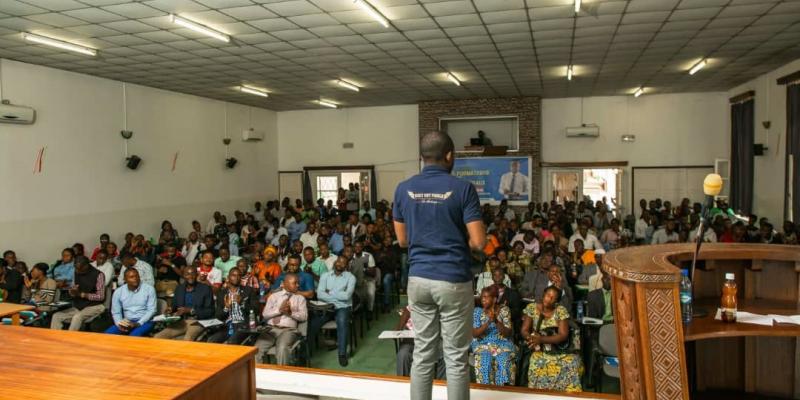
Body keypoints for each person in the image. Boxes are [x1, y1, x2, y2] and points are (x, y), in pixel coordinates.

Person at [393, 130, 486, 400]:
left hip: (418, 279)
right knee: (456, 358)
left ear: (422, 158)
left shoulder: (403, 188)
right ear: (449, 156)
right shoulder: (463, 189)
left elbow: (402, 240)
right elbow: (479, 242)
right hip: (453, 279)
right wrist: (455, 239)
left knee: (423, 353)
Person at [521, 286, 583, 392]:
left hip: (559, 349)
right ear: (543, 295)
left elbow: (563, 335)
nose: (549, 298)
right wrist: (531, 339)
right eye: (548, 295)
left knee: (571, 363)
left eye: (553, 298)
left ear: (556, 302)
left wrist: (541, 339)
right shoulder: (532, 307)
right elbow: (524, 330)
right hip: (539, 348)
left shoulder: (560, 310)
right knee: (537, 362)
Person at [255, 273, 308, 365]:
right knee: (256, 349)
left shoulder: (300, 298)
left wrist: (290, 313)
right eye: (295, 283)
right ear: (285, 283)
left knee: (282, 348)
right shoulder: (274, 296)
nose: (298, 285)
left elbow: (304, 317)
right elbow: (265, 315)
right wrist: (279, 310)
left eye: (298, 283)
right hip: (270, 330)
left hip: (288, 330)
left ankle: (282, 376)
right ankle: (259, 376)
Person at [313, 255, 356, 366]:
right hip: (326, 307)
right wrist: (337, 295)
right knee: (313, 324)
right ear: (335, 262)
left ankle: (342, 354)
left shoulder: (351, 277)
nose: (339, 264)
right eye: (338, 261)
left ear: (346, 266)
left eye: (343, 263)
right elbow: (319, 294)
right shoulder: (325, 275)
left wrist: (330, 292)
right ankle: (307, 353)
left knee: (342, 323)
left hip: (342, 307)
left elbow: (347, 297)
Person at [471, 286, 516, 386]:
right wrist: (488, 322)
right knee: (484, 361)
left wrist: (496, 320)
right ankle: (485, 392)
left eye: (486, 297)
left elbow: (508, 332)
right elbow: (474, 333)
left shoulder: (504, 310)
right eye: (482, 297)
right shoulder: (477, 311)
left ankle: (504, 392)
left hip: (502, 343)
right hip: (483, 343)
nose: (483, 299)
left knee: (504, 360)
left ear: (494, 299)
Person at [155, 267, 215, 341]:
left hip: (197, 322)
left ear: (197, 275)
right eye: (187, 274)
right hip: (182, 321)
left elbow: (210, 311)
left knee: (187, 339)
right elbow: (175, 305)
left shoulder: (205, 289)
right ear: (183, 276)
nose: (190, 276)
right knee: (158, 336)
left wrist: (191, 310)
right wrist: (170, 309)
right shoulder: (179, 288)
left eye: (193, 273)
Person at [50, 256, 106, 331]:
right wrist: (72, 291)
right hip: (79, 306)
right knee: (56, 316)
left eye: (79, 269)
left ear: (86, 266)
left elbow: (100, 296)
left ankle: (70, 341)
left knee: (77, 317)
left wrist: (82, 294)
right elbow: (73, 291)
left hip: (95, 306)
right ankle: (55, 340)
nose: (77, 271)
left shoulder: (99, 275)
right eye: (75, 268)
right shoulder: (76, 271)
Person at [208, 268, 259, 344]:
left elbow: (256, 311)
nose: (236, 277)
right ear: (228, 277)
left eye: (239, 276)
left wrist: (242, 303)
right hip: (227, 326)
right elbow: (218, 316)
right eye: (233, 275)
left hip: (244, 325)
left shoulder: (248, 291)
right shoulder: (222, 294)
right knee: (211, 341)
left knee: (231, 342)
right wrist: (226, 308)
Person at [395, 306, 447, 378]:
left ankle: (439, 385)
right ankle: (402, 382)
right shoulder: (417, 299)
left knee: (446, 356)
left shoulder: (441, 303)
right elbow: (407, 310)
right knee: (403, 354)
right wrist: (398, 330)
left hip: (434, 338)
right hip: (413, 337)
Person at [106, 268, 157, 336]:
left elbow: (152, 310)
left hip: (145, 321)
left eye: (137, 276)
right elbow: (116, 312)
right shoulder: (118, 292)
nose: (135, 278)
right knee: (107, 334)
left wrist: (138, 323)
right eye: (131, 277)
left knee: (133, 336)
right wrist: (119, 324)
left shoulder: (149, 289)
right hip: (127, 321)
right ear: (125, 279)